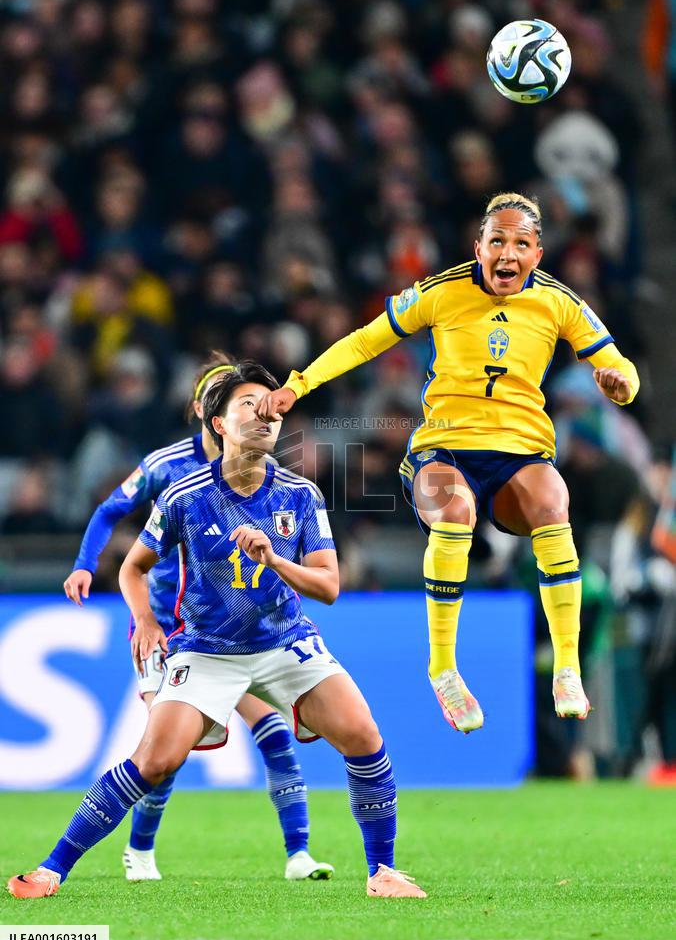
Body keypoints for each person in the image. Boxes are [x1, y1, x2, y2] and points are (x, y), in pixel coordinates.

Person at [8, 362, 426, 900]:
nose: (265, 415)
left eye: (271, 406)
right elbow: (132, 567)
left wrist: (276, 560)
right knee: (155, 762)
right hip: (206, 649)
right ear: (218, 424)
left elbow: (328, 586)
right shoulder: (183, 495)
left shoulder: (301, 494)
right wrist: (145, 619)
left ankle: (381, 872)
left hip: (285, 642)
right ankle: (52, 868)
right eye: (247, 406)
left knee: (365, 737)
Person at [255, 193, 640, 734]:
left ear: (538, 252)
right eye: (498, 241)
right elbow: (366, 341)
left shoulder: (559, 302)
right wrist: (300, 384)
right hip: (445, 447)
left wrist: (620, 385)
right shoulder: (440, 291)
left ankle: (568, 668)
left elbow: (619, 368)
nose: (508, 252)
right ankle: (443, 668)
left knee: (553, 503)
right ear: (478, 246)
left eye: (521, 243)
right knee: (454, 512)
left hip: (520, 452)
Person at [62, 352, 332, 883]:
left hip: (237, 629)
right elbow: (112, 511)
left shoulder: (270, 474)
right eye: (236, 402)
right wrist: (85, 566)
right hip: (166, 625)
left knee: (274, 729)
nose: (255, 413)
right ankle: (140, 849)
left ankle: (298, 853)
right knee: (165, 755)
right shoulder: (167, 468)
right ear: (205, 411)